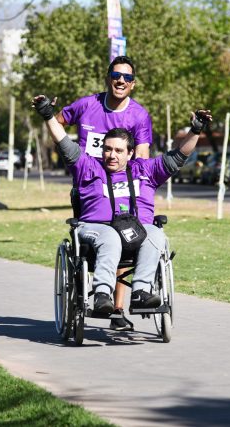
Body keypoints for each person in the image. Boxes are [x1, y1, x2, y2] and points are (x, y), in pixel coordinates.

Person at [33, 93, 211, 317]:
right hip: (95, 228)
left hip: (136, 229)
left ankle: (141, 293)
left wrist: (195, 130)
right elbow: (63, 141)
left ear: (130, 153)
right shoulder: (88, 167)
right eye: (107, 149)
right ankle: (102, 295)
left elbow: (179, 156)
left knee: (157, 235)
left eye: (118, 151)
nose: (111, 155)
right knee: (110, 237)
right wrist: (48, 114)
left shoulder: (145, 170)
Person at [51, 55, 153, 331]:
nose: (121, 81)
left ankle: (117, 309)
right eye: (117, 75)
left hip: (122, 186)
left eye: (128, 77)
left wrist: (136, 185)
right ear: (108, 77)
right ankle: (90, 294)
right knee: (96, 238)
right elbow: (58, 122)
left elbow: (142, 157)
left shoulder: (139, 115)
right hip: (88, 185)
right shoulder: (87, 105)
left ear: (133, 84)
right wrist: (69, 157)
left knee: (126, 233)